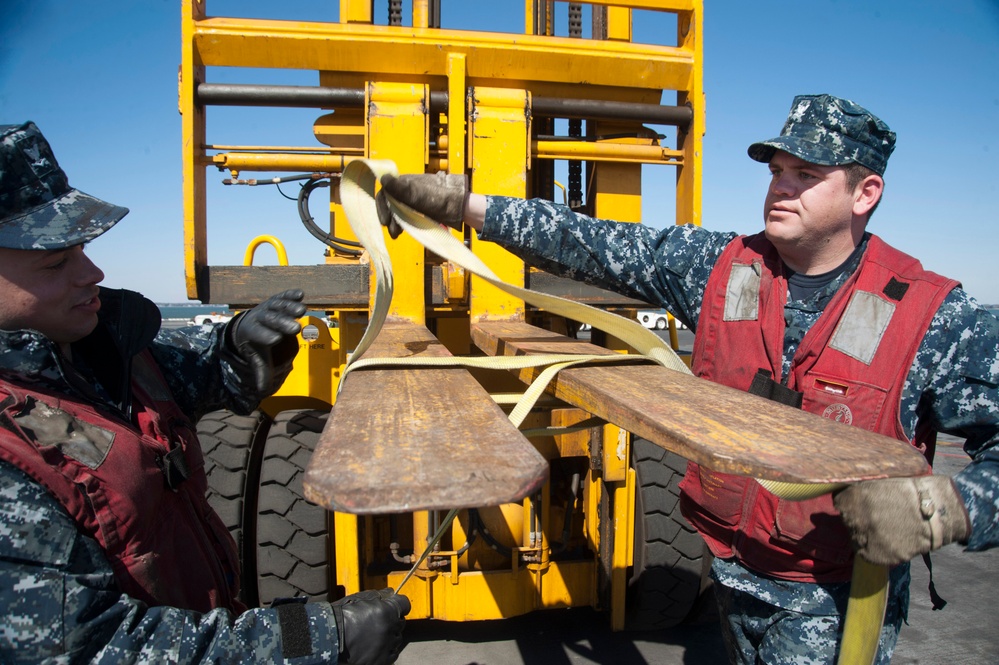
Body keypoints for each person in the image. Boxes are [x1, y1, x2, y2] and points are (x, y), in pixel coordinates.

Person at [376, 94, 999, 664]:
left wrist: (947, 507)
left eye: (806, 175)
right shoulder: (723, 268)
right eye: (776, 172)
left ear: (865, 194)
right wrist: (459, 206)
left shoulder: (933, 316)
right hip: (729, 572)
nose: (781, 188)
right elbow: (586, 241)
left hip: (831, 602)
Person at [0, 121, 410, 664]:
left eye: (81, 250)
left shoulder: (97, 350)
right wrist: (317, 639)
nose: (92, 272)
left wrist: (239, 349)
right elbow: (89, 647)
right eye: (56, 263)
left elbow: (193, 373)